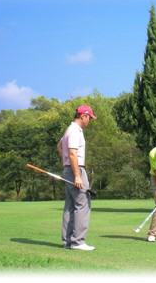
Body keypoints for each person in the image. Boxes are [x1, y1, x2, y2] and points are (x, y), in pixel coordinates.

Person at [57, 105, 97, 251]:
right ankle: (78, 242)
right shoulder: (75, 131)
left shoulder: (70, 129)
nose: (89, 121)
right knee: (83, 204)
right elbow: (73, 153)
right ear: (83, 116)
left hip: (69, 169)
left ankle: (68, 240)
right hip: (76, 170)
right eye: (89, 118)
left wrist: (65, 162)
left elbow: (60, 145)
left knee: (70, 206)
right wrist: (77, 176)